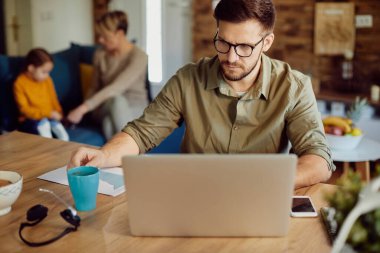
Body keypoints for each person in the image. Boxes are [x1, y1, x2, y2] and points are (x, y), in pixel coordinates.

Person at [69, 0, 334, 189]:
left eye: (243, 47)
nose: (230, 57)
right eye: (223, 42)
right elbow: (141, 133)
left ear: (266, 42)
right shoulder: (188, 79)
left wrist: (267, 183)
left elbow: (318, 159)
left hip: (259, 197)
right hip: (193, 195)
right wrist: (104, 155)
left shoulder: (294, 86)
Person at [67, 10, 149, 140]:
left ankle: (120, 158)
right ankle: (134, 156)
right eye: (99, 36)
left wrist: (82, 108)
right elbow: (94, 87)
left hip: (135, 106)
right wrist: (87, 112)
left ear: (120, 33)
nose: (100, 40)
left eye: (105, 36)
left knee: (109, 124)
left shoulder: (139, 56)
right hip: (105, 105)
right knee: (115, 101)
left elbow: (117, 87)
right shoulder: (100, 55)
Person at [13, 48, 69, 141]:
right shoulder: (19, 83)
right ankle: (48, 144)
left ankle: (65, 142)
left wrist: (59, 113)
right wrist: (48, 113)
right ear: (31, 68)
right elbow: (25, 110)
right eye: (44, 72)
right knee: (44, 123)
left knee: (56, 124)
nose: (47, 75)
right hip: (31, 119)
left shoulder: (47, 80)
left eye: (48, 72)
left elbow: (53, 99)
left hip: (49, 117)